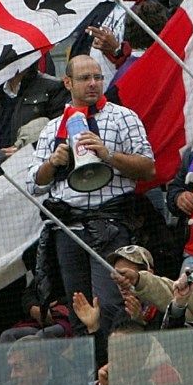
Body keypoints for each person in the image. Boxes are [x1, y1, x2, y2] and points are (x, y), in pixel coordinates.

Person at [31, 54, 154, 331]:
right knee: (78, 310)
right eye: (85, 78)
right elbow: (34, 184)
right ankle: (92, 370)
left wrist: (109, 155)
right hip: (68, 229)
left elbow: (148, 168)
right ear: (68, 82)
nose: (93, 84)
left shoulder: (124, 117)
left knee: (111, 304)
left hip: (111, 225)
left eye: (98, 77)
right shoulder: (52, 128)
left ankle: (115, 367)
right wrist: (52, 163)